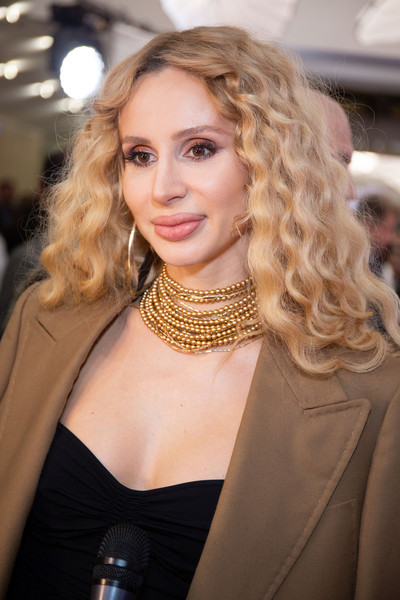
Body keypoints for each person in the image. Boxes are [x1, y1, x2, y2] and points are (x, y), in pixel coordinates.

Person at [1, 25, 400, 600]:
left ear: (269, 162)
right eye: (140, 155)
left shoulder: (374, 394)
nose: (162, 187)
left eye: (200, 149)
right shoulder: (42, 325)